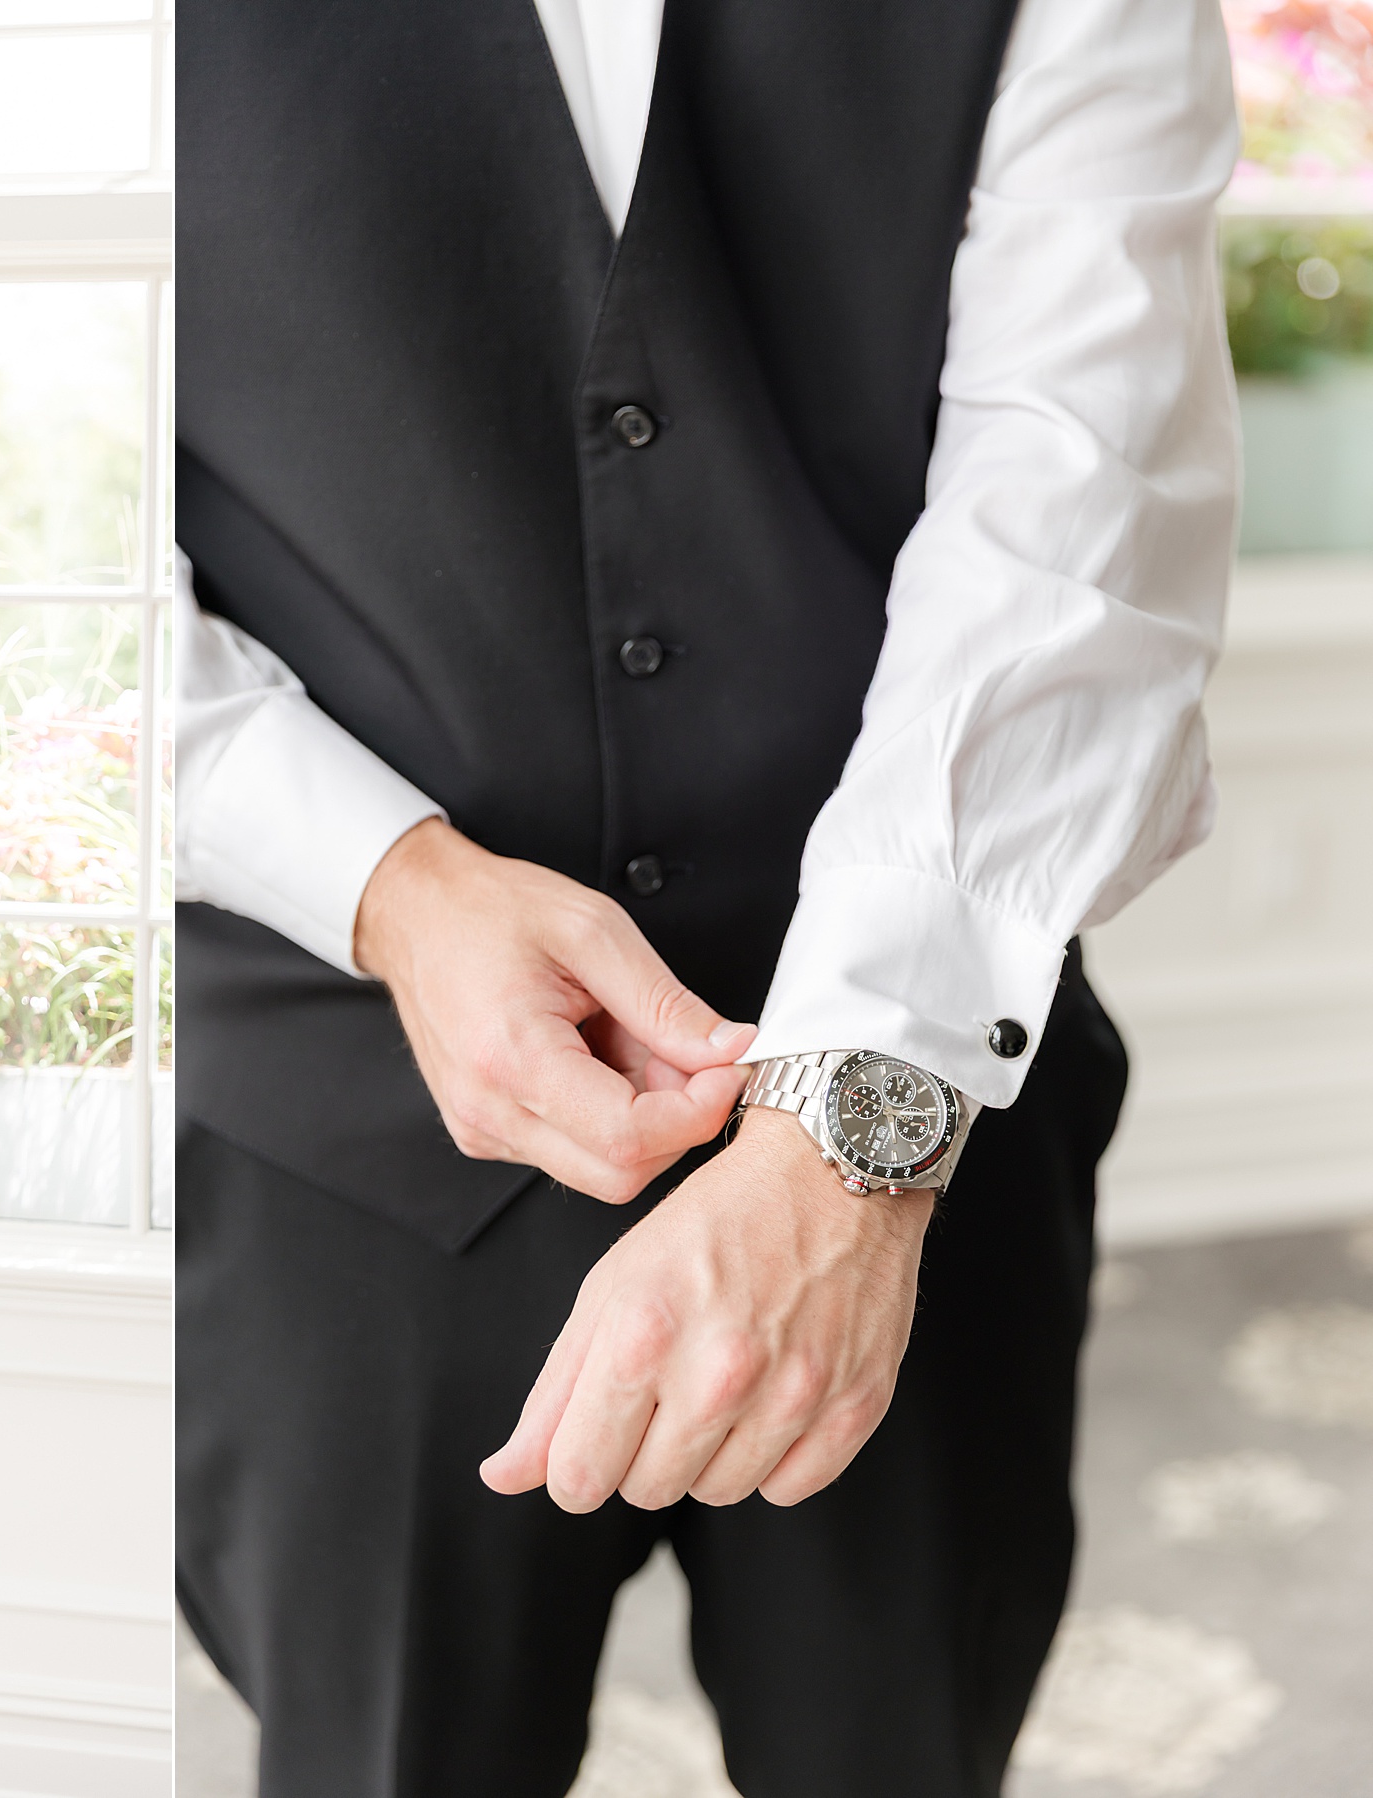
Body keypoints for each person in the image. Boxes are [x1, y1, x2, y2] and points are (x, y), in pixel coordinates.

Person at [175, 1, 1237, 1793]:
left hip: (928, 1126)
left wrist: (852, 1136)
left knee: (905, 1746)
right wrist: (382, 882)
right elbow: (11, 513)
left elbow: (1079, 486)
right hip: (337, 1137)